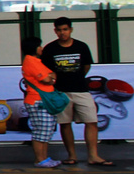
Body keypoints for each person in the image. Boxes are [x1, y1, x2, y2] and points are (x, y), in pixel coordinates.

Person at [42, 16, 113, 166]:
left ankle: (93, 155)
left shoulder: (81, 46)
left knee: (92, 120)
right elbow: (46, 71)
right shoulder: (50, 49)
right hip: (61, 92)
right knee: (65, 123)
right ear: (55, 31)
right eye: (59, 30)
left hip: (81, 89)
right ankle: (72, 156)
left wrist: (78, 77)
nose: (63, 33)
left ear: (71, 29)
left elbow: (86, 66)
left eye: (65, 29)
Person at [20, 36, 62, 169]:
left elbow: (52, 76)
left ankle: (44, 157)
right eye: (39, 46)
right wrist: (51, 78)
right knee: (41, 131)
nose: (41, 48)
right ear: (34, 48)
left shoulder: (37, 61)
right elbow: (47, 79)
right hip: (37, 100)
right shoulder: (31, 61)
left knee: (46, 130)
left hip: (43, 100)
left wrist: (51, 78)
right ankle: (40, 159)